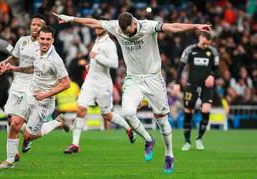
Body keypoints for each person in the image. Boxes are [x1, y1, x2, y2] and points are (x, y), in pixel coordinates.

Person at [53, 11, 211, 174]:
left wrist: (195, 26)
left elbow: (172, 27)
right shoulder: (116, 26)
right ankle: (149, 139)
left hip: (153, 78)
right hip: (133, 79)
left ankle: (169, 154)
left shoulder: (148, 26)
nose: (126, 35)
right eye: (124, 33)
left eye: (128, 32)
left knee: (163, 122)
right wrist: (70, 18)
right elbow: (93, 22)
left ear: (134, 24)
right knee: (128, 113)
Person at [0, 26, 70, 169]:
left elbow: (66, 84)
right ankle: (9, 161)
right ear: (38, 39)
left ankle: (58, 122)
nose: (44, 42)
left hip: (44, 102)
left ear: (52, 40)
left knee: (28, 136)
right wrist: (14, 69)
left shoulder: (55, 60)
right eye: (42, 39)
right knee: (14, 123)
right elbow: (33, 68)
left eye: (48, 39)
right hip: (30, 94)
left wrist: (45, 94)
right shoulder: (37, 52)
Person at [63, 21, 136, 154]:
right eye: (95, 26)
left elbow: (114, 63)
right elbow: (97, 61)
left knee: (107, 115)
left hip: (103, 84)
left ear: (105, 28)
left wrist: (97, 57)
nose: (96, 28)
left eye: (99, 26)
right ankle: (75, 144)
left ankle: (128, 128)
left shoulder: (109, 44)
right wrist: (91, 66)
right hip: (90, 81)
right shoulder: (97, 41)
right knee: (80, 109)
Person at [0, 14, 46, 158]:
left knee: (17, 120)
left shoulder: (43, 46)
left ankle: (13, 154)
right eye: (33, 24)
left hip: (33, 84)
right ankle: (27, 139)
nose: (35, 27)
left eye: (38, 25)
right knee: (11, 118)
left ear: (43, 29)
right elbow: (15, 57)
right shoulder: (22, 41)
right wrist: (4, 63)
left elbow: (34, 68)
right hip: (17, 83)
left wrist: (14, 69)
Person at [172, 32, 219, 151]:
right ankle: (187, 141)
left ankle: (199, 139)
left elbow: (217, 68)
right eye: (203, 43)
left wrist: (212, 76)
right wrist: (177, 83)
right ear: (200, 38)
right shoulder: (190, 50)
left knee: (206, 109)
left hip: (206, 87)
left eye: (207, 44)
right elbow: (181, 67)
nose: (205, 46)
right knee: (188, 111)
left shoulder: (212, 51)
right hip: (191, 85)